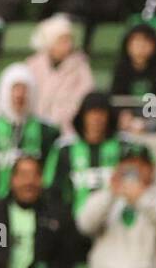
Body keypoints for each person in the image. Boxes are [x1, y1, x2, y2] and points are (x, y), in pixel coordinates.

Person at [0, 63, 60, 204]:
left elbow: (53, 176)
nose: (20, 95)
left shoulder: (49, 131)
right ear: (4, 91)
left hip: (37, 209)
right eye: (15, 88)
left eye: (25, 89)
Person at [43, 92, 127, 223]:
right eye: (91, 113)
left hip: (114, 227)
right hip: (74, 227)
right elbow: (50, 189)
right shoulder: (64, 150)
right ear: (82, 116)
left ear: (109, 116)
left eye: (101, 113)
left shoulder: (126, 148)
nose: (96, 119)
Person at [23, 14, 93, 135]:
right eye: (62, 40)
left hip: (68, 129)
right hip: (35, 128)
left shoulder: (81, 66)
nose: (68, 45)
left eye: (69, 40)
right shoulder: (32, 65)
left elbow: (85, 96)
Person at [110, 23, 156, 135]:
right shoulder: (121, 69)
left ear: (154, 45)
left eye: (145, 41)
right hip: (128, 121)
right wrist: (123, 114)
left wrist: (145, 123)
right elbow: (116, 98)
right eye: (136, 41)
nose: (140, 46)